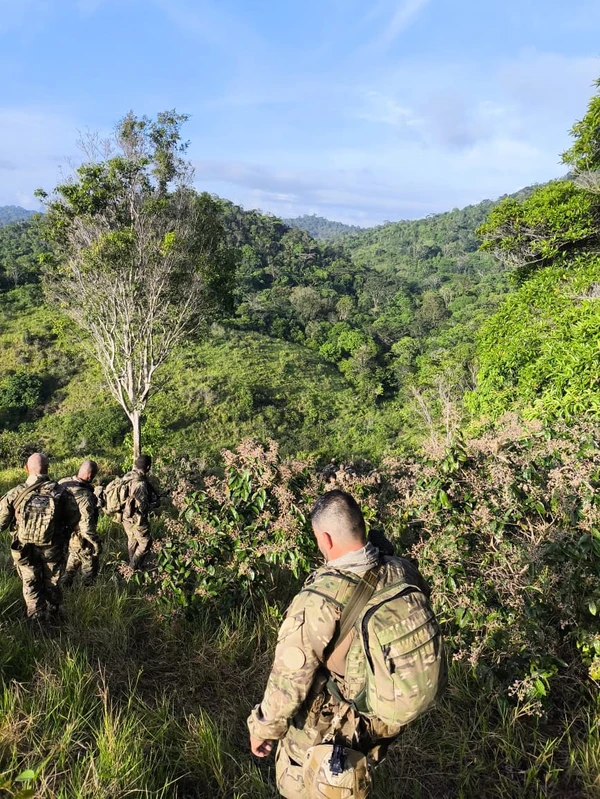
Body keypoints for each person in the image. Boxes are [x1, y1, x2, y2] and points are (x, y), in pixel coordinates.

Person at [247, 489, 444, 799]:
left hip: (328, 732)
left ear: (325, 539)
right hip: (378, 719)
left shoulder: (318, 601)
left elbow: (288, 683)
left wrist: (262, 729)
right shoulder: (402, 569)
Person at [0, 453, 80, 621]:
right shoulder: (62, 493)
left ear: (26, 469)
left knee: (30, 582)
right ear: (47, 468)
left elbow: (1, 523)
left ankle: (36, 619)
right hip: (53, 548)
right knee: (52, 580)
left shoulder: (16, 493)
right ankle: (53, 614)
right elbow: (74, 520)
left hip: (24, 548)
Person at [59, 460, 102, 587]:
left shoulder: (62, 483)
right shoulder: (85, 496)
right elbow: (87, 527)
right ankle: (87, 594)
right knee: (89, 569)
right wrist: (96, 543)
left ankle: (64, 587)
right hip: (81, 537)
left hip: (64, 534)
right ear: (90, 476)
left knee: (73, 559)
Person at [121, 454, 160, 570]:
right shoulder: (141, 484)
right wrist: (155, 504)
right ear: (148, 467)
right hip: (136, 519)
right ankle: (133, 568)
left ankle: (132, 563)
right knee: (145, 543)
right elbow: (143, 507)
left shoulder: (127, 476)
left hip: (125, 516)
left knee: (132, 540)